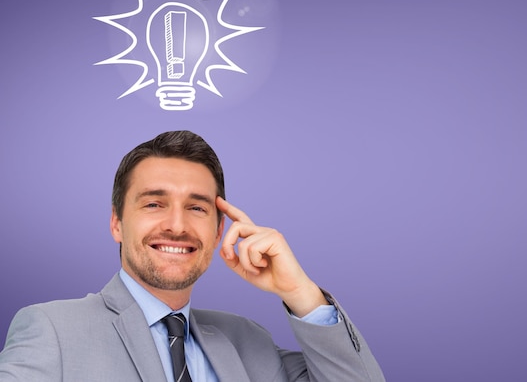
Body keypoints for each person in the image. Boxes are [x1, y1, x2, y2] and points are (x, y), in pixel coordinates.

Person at [0, 130, 385, 381]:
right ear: (117, 223)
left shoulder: (247, 341)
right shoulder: (52, 330)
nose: (177, 225)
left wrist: (300, 292)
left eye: (197, 208)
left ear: (220, 231)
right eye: (154, 204)